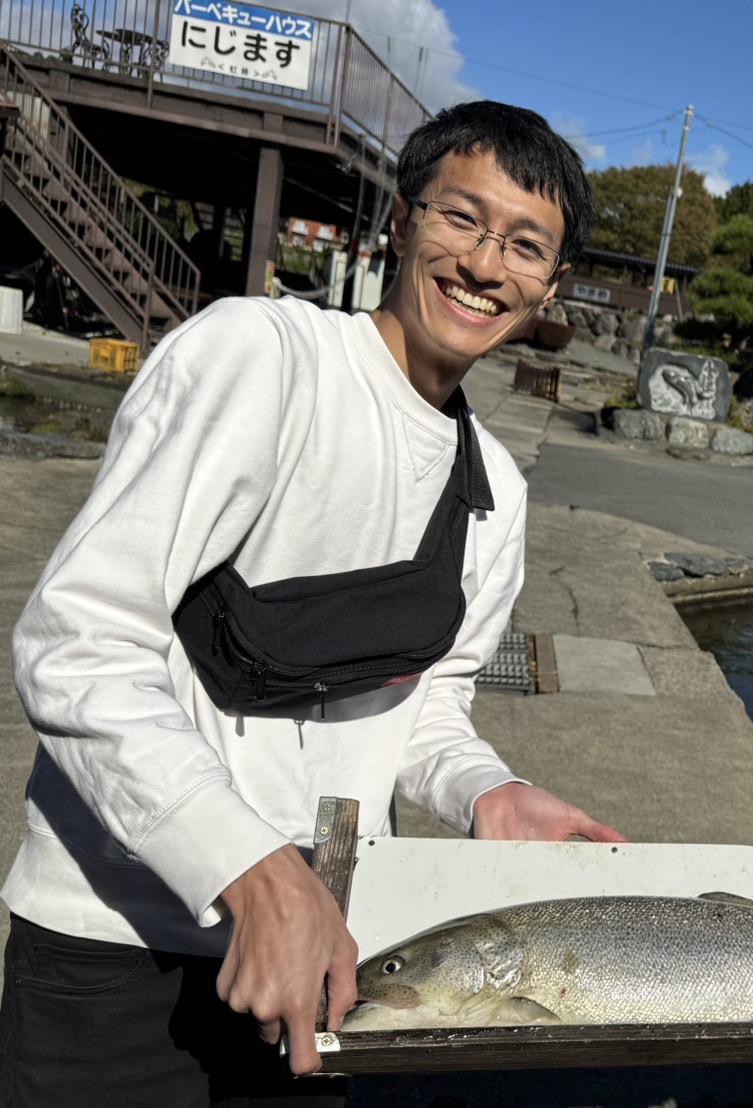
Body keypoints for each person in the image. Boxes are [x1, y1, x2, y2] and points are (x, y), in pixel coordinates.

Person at [0, 100, 625, 1105]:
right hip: (118, 945)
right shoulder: (264, 360)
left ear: (549, 285)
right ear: (400, 220)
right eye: (461, 219)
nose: (483, 264)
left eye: (523, 245)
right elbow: (76, 639)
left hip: (328, 957)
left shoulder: (495, 493)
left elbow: (425, 708)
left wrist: (485, 791)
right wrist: (247, 865)